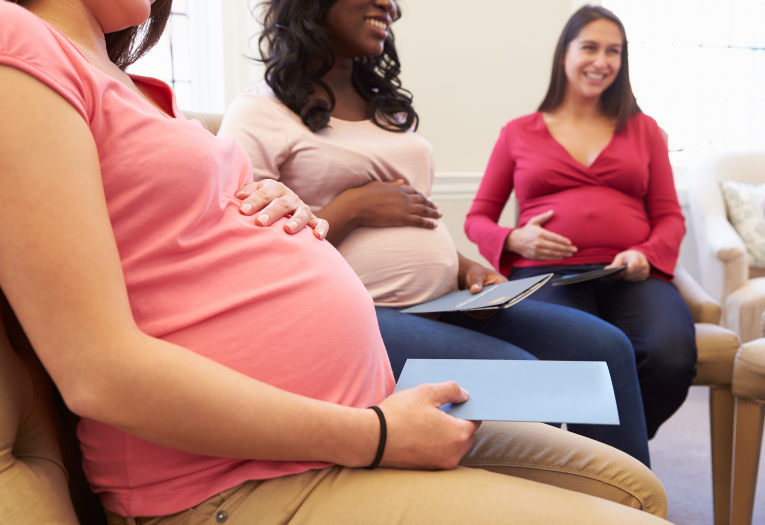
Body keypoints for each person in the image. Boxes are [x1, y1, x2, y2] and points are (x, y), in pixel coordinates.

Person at [0, 0, 670, 523]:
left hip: (360, 397)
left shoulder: (130, 84)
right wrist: (376, 434)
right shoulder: (22, 41)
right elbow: (98, 369)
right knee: (541, 396)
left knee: (635, 485)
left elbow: (174, 233)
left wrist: (264, 206)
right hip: (241, 475)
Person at [218, 0, 652, 466]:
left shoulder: (384, 109)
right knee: (523, 380)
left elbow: (415, 215)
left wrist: (465, 267)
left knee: (605, 348)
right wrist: (352, 209)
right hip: (356, 312)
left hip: (444, 300)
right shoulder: (259, 111)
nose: (389, 4)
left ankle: (626, 507)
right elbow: (247, 250)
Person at [464, 5, 697, 440]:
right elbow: (478, 218)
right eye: (590, 47)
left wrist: (645, 255)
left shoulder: (645, 130)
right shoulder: (519, 132)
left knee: (670, 354)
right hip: (545, 276)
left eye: (614, 51)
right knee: (581, 355)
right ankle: (605, 471)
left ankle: (615, 454)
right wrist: (514, 238)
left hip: (630, 275)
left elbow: (669, 216)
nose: (602, 61)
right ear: (565, 54)